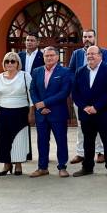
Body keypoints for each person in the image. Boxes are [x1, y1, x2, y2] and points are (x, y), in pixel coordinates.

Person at [71, 46, 107, 178]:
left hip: (105, 113)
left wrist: (96, 107)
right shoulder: (80, 72)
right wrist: (84, 107)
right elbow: (75, 93)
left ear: (100, 56)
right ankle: (87, 167)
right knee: (88, 141)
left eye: (93, 54)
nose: (90, 56)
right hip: (86, 113)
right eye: (88, 54)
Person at [68, 29, 107, 165]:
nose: (87, 39)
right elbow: (71, 71)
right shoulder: (76, 53)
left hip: (99, 98)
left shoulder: (104, 52)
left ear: (95, 37)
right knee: (82, 126)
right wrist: (74, 88)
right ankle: (81, 153)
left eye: (90, 36)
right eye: (85, 36)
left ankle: (101, 152)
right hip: (81, 98)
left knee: (100, 125)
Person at [29, 46, 73, 178]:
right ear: (43, 57)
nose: (49, 58)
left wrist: (45, 103)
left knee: (61, 140)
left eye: (52, 55)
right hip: (41, 113)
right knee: (42, 141)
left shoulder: (65, 71)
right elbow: (32, 90)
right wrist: (40, 106)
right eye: (46, 56)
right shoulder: (36, 71)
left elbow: (64, 92)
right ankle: (42, 167)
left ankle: (62, 167)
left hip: (57, 112)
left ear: (57, 57)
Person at [0, 52, 33, 176]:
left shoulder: (25, 76)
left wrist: (31, 113)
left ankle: (18, 164)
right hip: (3, 111)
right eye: (7, 61)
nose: (9, 63)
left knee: (19, 138)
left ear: (18, 63)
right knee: (4, 139)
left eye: (12, 61)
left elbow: (31, 96)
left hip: (20, 111)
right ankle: (6, 165)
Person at [17, 32, 43, 161]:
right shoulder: (19, 56)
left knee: (41, 125)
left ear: (37, 42)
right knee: (23, 123)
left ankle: (43, 155)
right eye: (27, 40)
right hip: (21, 93)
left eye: (32, 40)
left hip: (38, 93)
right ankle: (26, 153)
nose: (29, 42)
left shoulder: (42, 56)